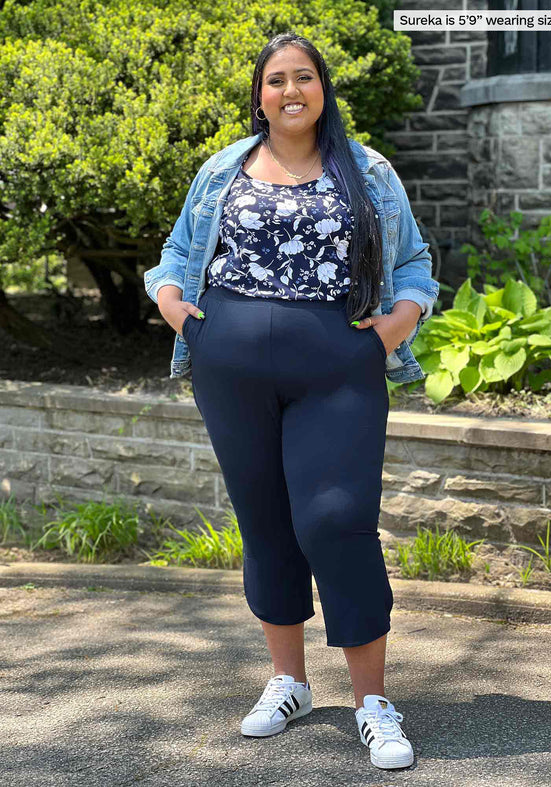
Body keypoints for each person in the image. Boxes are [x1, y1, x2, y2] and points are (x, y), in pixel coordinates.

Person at [144, 32, 439, 771]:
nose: (290, 90)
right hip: (229, 367)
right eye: (276, 80)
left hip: (337, 368)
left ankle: (373, 700)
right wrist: (177, 309)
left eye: (303, 77)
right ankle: (291, 682)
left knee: (335, 520)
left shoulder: (366, 171)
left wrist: (391, 330)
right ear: (261, 95)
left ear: (323, 88)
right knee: (267, 521)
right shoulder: (223, 169)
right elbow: (179, 252)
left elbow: (413, 263)